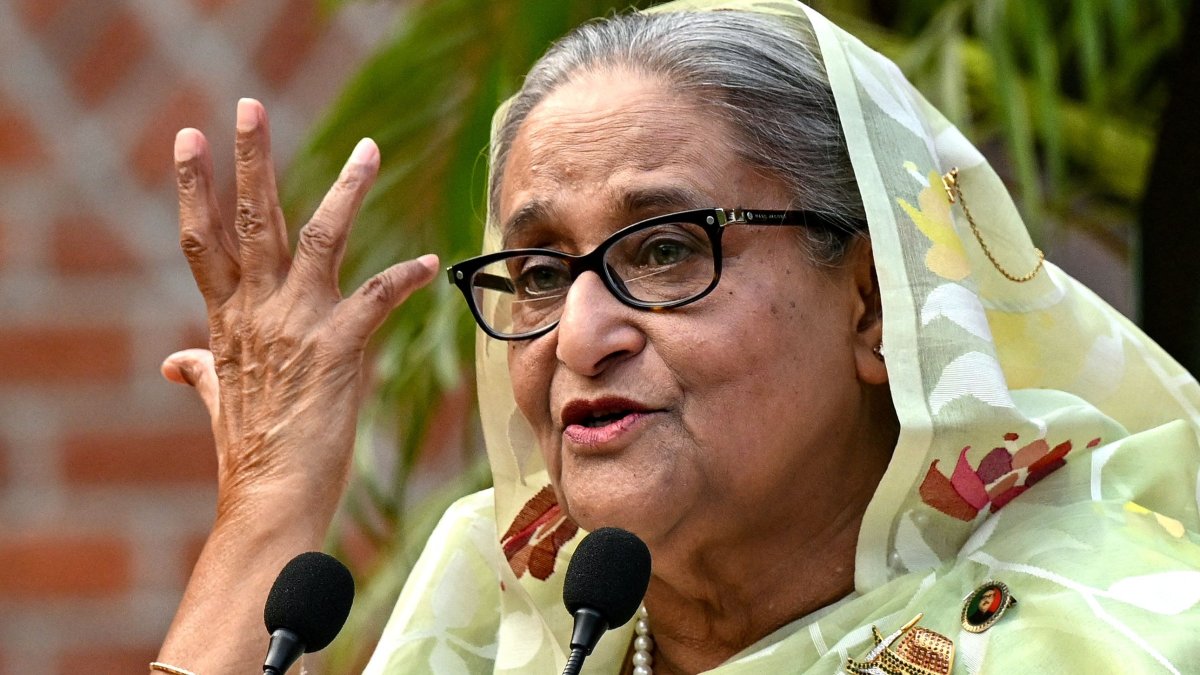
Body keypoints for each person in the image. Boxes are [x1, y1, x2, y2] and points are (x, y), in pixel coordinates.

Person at [154, 0, 1200, 673]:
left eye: (664, 252)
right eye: (540, 272)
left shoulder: (1114, 638)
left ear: (876, 306)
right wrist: (266, 518)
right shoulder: (487, 620)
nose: (580, 334)